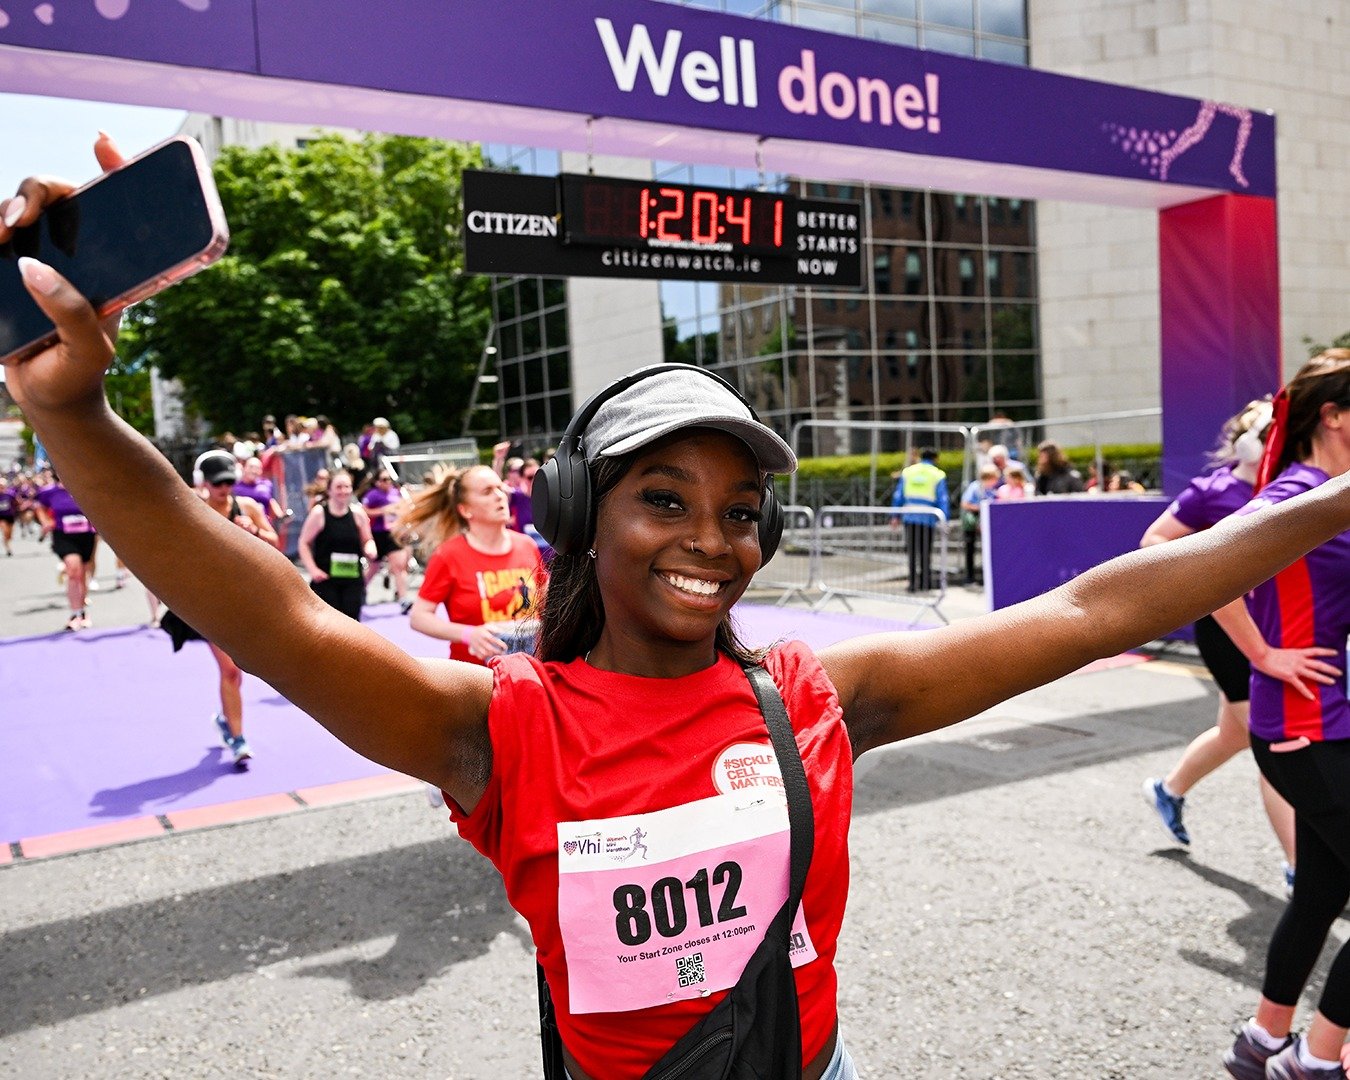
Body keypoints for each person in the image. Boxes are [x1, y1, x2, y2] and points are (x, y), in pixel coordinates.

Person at [12, 142, 1350, 1080]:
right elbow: (276, 622)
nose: (713, 537)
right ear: (587, 513)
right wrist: (73, 409)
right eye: (665, 498)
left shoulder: (824, 694)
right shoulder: (499, 726)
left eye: (737, 509)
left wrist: (1330, 500)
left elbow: (1093, 608)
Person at [1218, 351, 1350, 1080]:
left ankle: (1264, 1042)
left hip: (1328, 722)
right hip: (1305, 728)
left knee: (1326, 889)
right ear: (1332, 416)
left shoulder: (1329, 491)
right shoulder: (1296, 495)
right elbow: (1203, 572)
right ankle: (1316, 1058)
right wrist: (1265, 654)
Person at [1140, 401, 1315, 893]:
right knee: (1274, 746)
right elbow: (1153, 542)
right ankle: (1301, 868)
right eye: (1266, 430)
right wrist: (1211, 569)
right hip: (1227, 629)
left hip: (1280, 627)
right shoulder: (1213, 490)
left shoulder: (1295, 485)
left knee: (1234, 734)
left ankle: (1168, 790)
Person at [160, 450, 277, 766]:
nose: (224, 489)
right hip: (211, 601)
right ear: (203, 484)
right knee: (230, 669)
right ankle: (238, 739)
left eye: (228, 482)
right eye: (217, 484)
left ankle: (227, 721)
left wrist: (253, 531)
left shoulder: (247, 507)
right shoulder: (194, 509)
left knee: (242, 672)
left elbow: (274, 540)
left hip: (245, 597)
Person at [402, 464, 546, 663]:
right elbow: (419, 617)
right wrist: (468, 634)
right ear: (465, 510)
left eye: (499, 488)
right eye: (487, 491)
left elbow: (546, 601)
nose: (499, 496)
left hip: (529, 672)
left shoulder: (526, 545)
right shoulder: (448, 555)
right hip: (476, 678)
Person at [298, 469, 375, 622]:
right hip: (326, 580)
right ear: (329, 490)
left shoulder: (358, 514)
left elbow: (368, 539)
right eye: (339, 487)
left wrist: (370, 548)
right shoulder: (319, 513)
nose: (343, 491)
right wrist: (313, 570)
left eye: (347, 487)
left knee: (352, 624)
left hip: (352, 579)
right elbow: (303, 542)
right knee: (329, 625)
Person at [33, 470, 96, 630]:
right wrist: (46, 522)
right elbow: (38, 506)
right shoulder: (50, 492)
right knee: (73, 571)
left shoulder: (85, 489)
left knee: (83, 574)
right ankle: (75, 614)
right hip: (64, 536)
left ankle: (82, 612)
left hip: (86, 535)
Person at [890, 446, 948, 592]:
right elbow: (943, 499)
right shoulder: (938, 474)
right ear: (935, 458)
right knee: (925, 552)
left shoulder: (908, 472)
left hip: (910, 517)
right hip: (928, 518)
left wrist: (895, 515)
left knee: (911, 552)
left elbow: (898, 495)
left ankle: (912, 583)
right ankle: (925, 582)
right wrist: (944, 519)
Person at [362, 469, 412, 612]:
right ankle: (360, 590)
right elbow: (363, 511)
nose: (387, 482)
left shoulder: (396, 493)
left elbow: (403, 509)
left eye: (389, 479)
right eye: (384, 479)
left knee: (399, 566)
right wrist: (382, 511)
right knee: (374, 566)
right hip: (377, 534)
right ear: (377, 482)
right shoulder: (372, 495)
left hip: (393, 534)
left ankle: (403, 598)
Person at [958, 465, 999, 585]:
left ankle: (986, 577)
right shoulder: (975, 487)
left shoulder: (993, 489)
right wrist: (981, 508)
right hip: (973, 521)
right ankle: (969, 577)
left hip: (987, 522)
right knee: (970, 550)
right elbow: (965, 503)